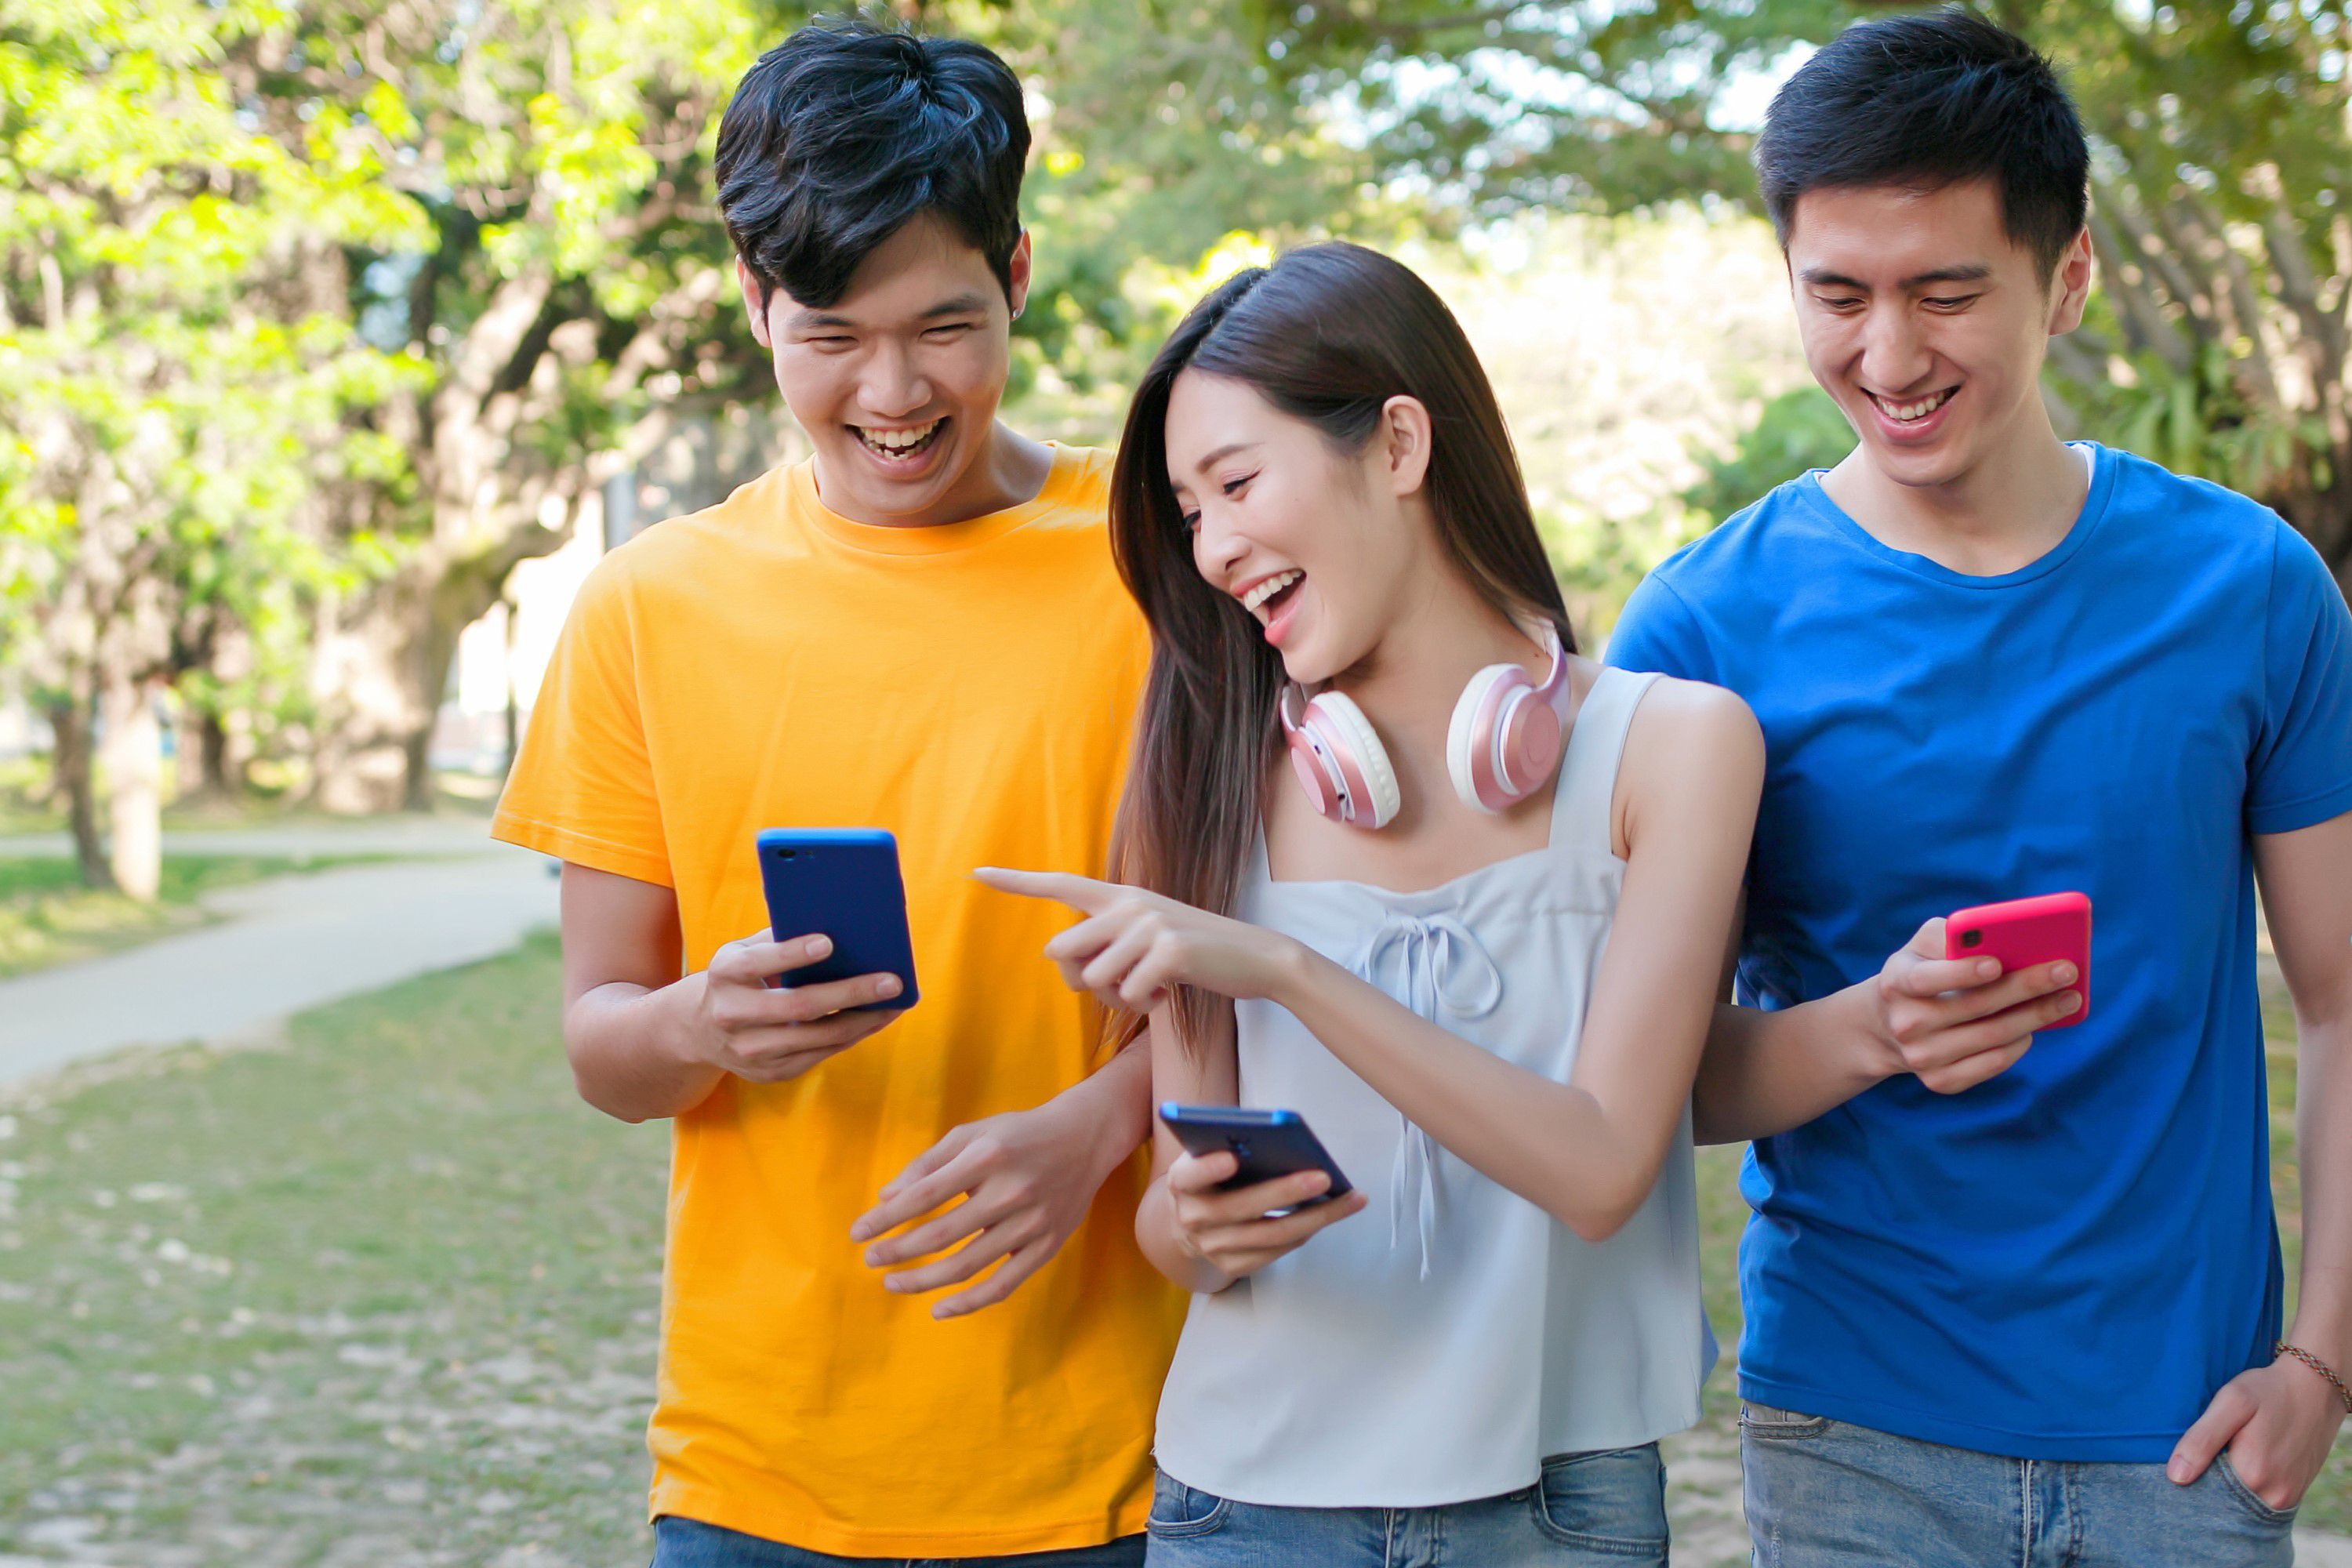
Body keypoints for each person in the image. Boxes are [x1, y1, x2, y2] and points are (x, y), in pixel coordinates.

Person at [1604, 13, 2352, 1566]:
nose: (1888, 358)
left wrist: (2325, 1362)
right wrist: (1871, 1027)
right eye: (1839, 297)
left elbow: (2344, 1003)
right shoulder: (1698, 629)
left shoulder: (2254, 591)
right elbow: (1635, 1088)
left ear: (2066, 276)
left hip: (2193, 1430)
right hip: (1855, 1433)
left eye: (1946, 294)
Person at [491, 20, 1182, 1566]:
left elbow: (1288, 956)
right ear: (754, 301)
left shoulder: (1166, 566)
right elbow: (608, 1047)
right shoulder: (647, 606)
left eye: (942, 325)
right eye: (831, 334)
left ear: (1014, 275)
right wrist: (695, 1026)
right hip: (759, 1474)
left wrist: (1098, 1122)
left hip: (1128, 1454)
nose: (892, 391)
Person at [981, 241, 1764, 1566]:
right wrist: (1193, 1222)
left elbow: (1599, 1167)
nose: (1217, 548)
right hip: (1242, 1508)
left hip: (1555, 1506)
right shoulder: (1206, 766)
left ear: (1398, 443)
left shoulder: (1679, 747)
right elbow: (1181, 1224)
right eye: (1189, 515)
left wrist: (1286, 970)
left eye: (1236, 484)